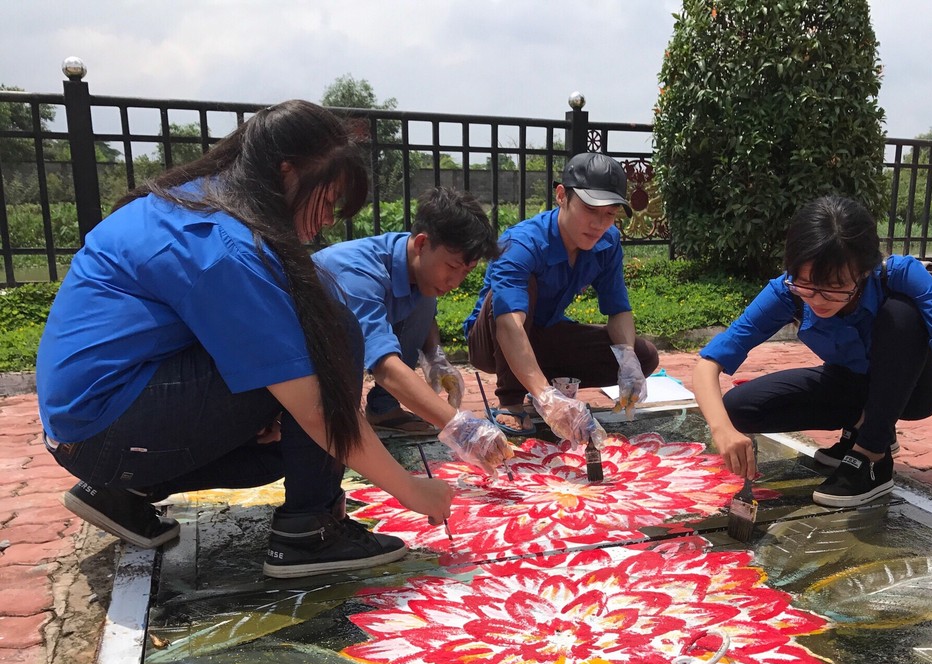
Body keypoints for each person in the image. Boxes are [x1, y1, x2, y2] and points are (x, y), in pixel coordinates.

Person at [36, 99, 452, 579]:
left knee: (279, 453)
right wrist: (412, 490)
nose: (328, 219)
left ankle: (123, 492)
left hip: (85, 432)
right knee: (331, 330)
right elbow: (318, 408)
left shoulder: (194, 199)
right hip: (105, 431)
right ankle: (308, 535)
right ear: (288, 173)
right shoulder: (223, 245)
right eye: (328, 197)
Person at [693, 195, 932, 508]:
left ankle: (871, 457)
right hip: (853, 382)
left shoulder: (899, 276)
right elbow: (708, 363)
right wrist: (722, 429)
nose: (817, 299)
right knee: (740, 408)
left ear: (865, 270)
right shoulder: (786, 291)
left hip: (918, 389)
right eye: (806, 285)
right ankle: (865, 426)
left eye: (834, 287)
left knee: (901, 315)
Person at [463, 152, 659, 449]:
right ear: (561, 196)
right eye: (591, 209)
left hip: (545, 335)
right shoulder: (521, 244)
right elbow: (508, 325)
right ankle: (513, 399)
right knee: (513, 297)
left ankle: (544, 385)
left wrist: (627, 358)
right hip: (493, 341)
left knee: (644, 355)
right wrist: (544, 396)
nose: (599, 224)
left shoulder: (607, 243)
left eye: (610, 214)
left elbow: (618, 309)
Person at [312, 186, 513, 477]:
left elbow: (424, 310)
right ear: (421, 244)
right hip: (299, 364)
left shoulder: (418, 267)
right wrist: (459, 426)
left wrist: (435, 356)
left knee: (426, 292)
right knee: (332, 433)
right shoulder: (356, 273)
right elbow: (385, 368)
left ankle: (383, 409)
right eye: (452, 267)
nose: (456, 282)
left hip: (342, 347)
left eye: (466, 273)